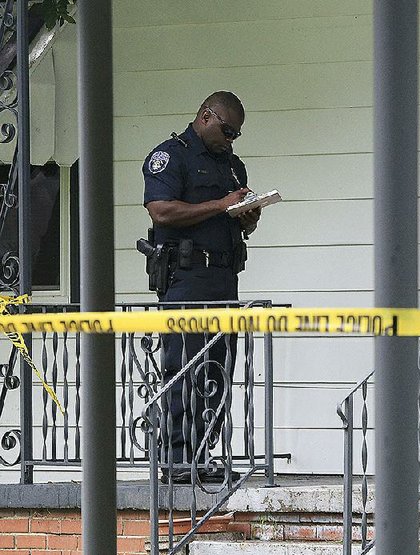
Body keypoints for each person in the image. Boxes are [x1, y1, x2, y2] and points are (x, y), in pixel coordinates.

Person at [142, 91, 260, 484]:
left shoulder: (231, 165)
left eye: (237, 134)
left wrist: (246, 216)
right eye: (228, 131)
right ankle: (175, 458)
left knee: (217, 369)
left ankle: (202, 454)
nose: (231, 140)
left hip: (224, 278)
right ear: (206, 116)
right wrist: (220, 204)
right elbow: (161, 209)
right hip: (185, 279)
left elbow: (230, 216)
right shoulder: (171, 156)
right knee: (183, 366)